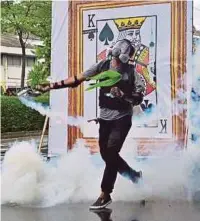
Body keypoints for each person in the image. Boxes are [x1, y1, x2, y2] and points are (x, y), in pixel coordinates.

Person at [36, 39, 145, 209]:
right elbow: (77, 79)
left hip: (122, 119)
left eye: (122, 60)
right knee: (107, 155)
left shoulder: (132, 73)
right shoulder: (102, 65)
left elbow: (138, 98)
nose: (118, 63)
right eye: (117, 58)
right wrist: (51, 86)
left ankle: (105, 194)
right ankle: (134, 176)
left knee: (111, 153)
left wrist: (123, 95)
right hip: (105, 118)